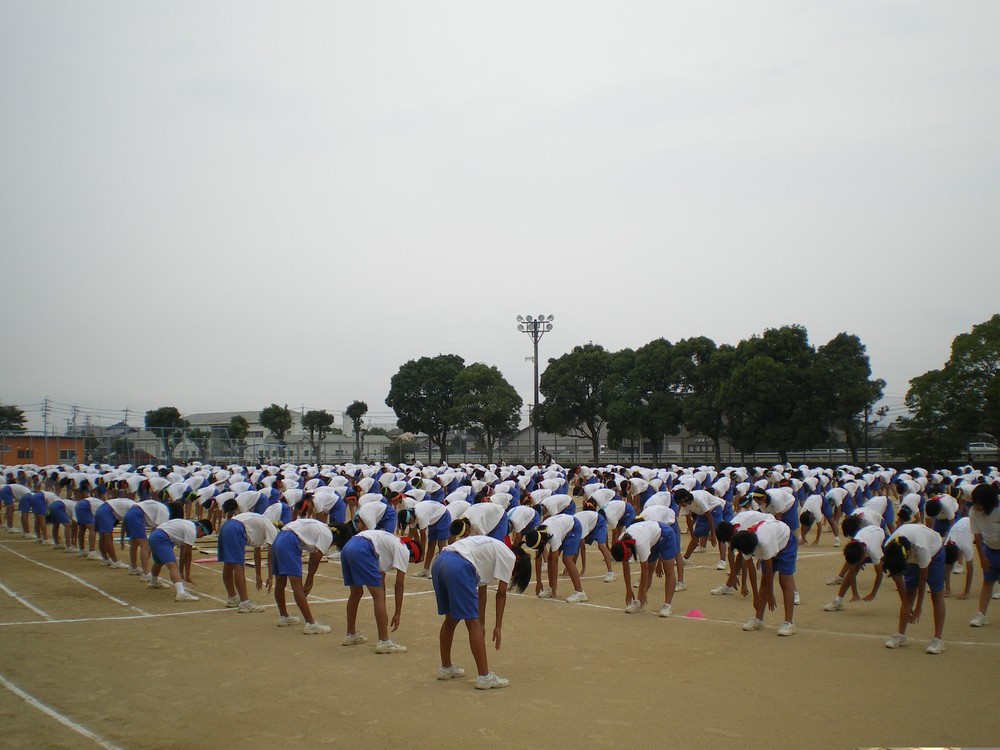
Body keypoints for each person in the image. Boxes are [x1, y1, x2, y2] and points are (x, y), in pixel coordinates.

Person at [432, 535, 531, 689]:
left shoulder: (493, 548)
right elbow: (501, 594)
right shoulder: (509, 557)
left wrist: (483, 623)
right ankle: (484, 677)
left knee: (450, 619)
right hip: (460, 566)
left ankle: (446, 668)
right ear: (518, 565)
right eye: (515, 575)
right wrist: (497, 627)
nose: (512, 577)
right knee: (473, 624)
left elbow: (481, 588)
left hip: (441, 560)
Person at [330, 521, 421, 654]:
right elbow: (399, 585)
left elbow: (381, 578)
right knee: (377, 596)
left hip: (349, 546)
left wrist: (382, 609)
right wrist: (397, 613)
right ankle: (384, 642)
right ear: (412, 552)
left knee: (356, 593)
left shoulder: (389, 543)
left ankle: (350, 634)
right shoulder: (403, 549)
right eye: (412, 561)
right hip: (363, 549)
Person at [882, 522, 947, 654]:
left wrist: (918, 606)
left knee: (936, 594)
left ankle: (938, 639)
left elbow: (923, 580)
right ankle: (901, 635)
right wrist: (906, 604)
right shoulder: (890, 548)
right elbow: (896, 575)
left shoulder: (921, 548)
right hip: (911, 556)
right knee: (909, 592)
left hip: (934, 552)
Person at [267, 517, 336, 634]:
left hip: (279, 537)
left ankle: (284, 616)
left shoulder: (318, 525)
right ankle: (310, 624)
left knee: (280, 583)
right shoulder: (327, 534)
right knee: (297, 586)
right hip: (290, 541)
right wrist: (310, 580)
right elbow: (316, 558)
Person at [730, 519, 798, 636]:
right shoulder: (744, 540)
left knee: (785, 581)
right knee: (763, 583)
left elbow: (769, 572)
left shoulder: (764, 543)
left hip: (786, 543)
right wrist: (755, 596)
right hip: (772, 542)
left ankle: (789, 622)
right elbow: (751, 570)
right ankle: (758, 619)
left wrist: (771, 594)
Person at [609, 518, 679, 617]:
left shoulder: (640, 544)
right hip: (651, 538)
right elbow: (626, 568)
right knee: (651, 569)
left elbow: (644, 570)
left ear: (629, 550)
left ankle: (667, 605)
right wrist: (628, 590)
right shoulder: (621, 542)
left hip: (666, 534)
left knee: (668, 570)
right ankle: (638, 602)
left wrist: (642, 591)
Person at [219, 512, 278, 613]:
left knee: (228, 564)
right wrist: (270, 577)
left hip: (226, 526)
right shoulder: (272, 530)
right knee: (238, 565)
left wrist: (258, 576)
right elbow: (271, 555)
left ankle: (232, 597)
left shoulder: (260, 524)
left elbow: (257, 552)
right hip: (236, 529)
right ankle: (245, 602)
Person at [523, 514, 588, 603]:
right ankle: (551, 589)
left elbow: (554, 561)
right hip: (562, 528)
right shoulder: (536, 535)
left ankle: (580, 592)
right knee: (549, 558)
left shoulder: (553, 535)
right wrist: (539, 582)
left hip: (573, 528)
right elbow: (538, 558)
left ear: (541, 542)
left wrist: (555, 587)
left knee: (567, 559)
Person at [822, 524, 886, 612]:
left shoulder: (873, 550)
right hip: (868, 533)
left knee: (895, 568)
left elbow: (879, 574)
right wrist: (854, 593)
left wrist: (873, 594)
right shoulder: (853, 546)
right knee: (853, 569)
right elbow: (851, 572)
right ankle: (838, 601)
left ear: (863, 556)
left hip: (884, 538)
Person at [146, 518, 212, 602]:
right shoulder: (191, 530)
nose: (201, 537)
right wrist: (187, 575)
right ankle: (181, 593)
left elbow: (183, 552)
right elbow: (188, 554)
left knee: (159, 561)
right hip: (162, 538)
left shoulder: (187, 525)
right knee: (172, 565)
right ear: (199, 528)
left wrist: (181, 572)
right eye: (203, 534)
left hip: (155, 535)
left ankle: (153, 582)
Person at [968, 483, 1000, 627]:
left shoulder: (998, 510)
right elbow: (977, 535)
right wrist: (982, 557)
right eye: (975, 503)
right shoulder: (973, 512)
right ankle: (981, 614)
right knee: (987, 582)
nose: (977, 507)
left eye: (980, 504)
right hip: (990, 549)